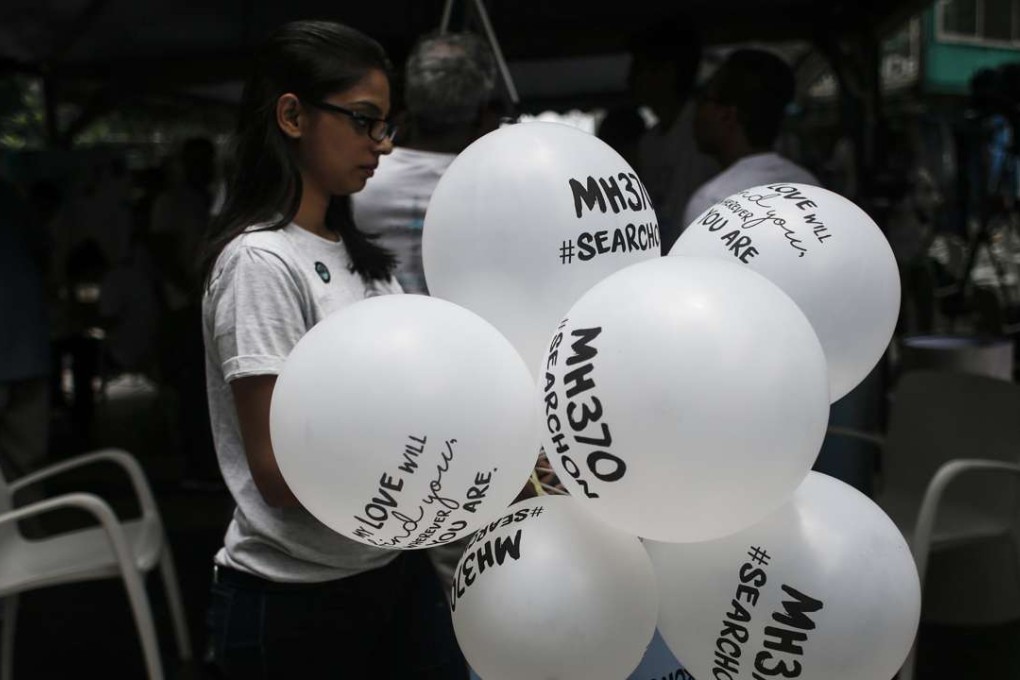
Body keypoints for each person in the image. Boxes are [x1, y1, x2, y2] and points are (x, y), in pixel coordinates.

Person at [200, 20, 465, 678]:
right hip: (293, 600)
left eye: (386, 126)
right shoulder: (260, 261)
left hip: (388, 570)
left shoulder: (366, 261)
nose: (381, 145)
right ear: (292, 115)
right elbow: (279, 473)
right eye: (363, 121)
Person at [352, 31, 499, 294]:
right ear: (483, 110)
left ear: (407, 99)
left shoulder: (359, 179)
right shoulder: (500, 189)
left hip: (376, 330)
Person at [682, 49, 820, 228]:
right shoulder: (811, 186)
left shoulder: (712, 205)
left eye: (703, 100)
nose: (696, 114)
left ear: (727, 115)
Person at [628, 20, 719, 253]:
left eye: (640, 68)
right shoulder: (648, 143)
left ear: (667, 71)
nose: (630, 79)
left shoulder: (704, 130)